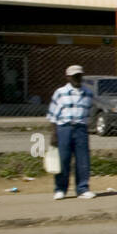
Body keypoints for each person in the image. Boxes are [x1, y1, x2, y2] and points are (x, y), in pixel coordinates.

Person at [47, 64, 96, 200]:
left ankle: (82, 188)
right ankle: (60, 189)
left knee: (83, 159)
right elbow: (52, 115)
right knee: (63, 159)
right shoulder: (60, 93)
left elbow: (90, 112)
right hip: (64, 128)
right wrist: (53, 134)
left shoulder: (88, 93)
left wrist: (88, 127)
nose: (77, 79)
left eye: (79, 76)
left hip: (81, 128)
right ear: (68, 77)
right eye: (74, 76)